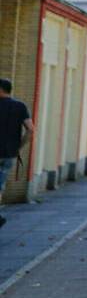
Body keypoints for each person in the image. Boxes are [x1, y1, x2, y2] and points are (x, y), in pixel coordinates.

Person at [0, 77, 31, 229]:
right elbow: (31, 129)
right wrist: (19, 146)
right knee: (0, 184)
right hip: (9, 153)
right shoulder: (20, 106)